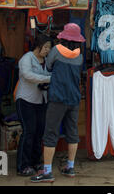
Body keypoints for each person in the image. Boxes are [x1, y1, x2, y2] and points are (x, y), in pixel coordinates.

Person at [31, 23, 86, 183]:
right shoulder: (80, 55)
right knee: (72, 133)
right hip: (74, 99)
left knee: (50, 133)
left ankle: (47, 171)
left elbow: (48, 67)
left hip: (58, 98)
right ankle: (70, 167)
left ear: (64, 37)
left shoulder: (55, 51)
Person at [15, 34, 52, 176]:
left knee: (39, 132)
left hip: (41, 101)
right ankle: (23, 165)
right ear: (38, 45)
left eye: (49, 48)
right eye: (46, 47)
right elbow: (27, 75)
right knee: (28, 132)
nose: (47, 50)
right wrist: (48, 79)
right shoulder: (27, 58)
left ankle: (36, 162)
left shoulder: (47, 60)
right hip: (25, 100)